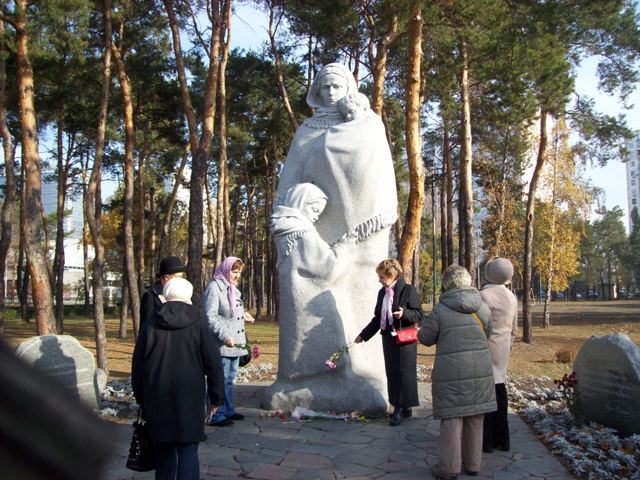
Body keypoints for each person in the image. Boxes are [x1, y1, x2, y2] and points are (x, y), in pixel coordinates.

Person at [267, 63, 397, 413]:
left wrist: (358, 121)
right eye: (324, 86)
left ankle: (364, 371)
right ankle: (311, 377)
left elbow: (378, 170)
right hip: (315, 224)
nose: (330, 92)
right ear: (316, 91)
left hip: (360, 223)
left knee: (360, 295)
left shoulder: (368, 123)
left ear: (350, 88)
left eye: (337, 85)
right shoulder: (306, 131)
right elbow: (290, 177)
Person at [131, 277, 224, 480]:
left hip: (157, 395)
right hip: (189, 396)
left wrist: (140, 397)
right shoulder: (199, 324)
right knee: (188, 449)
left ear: (166, 294)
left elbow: (138, 365)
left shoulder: (150, 325)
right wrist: (216, 397)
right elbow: (214, 363)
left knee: (163, 450)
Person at [418, 265, 496, 480]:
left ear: (446, 284)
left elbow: (425, 338)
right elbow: (489, 333)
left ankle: (449, 468)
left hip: (450, 371)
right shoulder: (483, 308)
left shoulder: (440, 310)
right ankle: (473, 464)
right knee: (475, 416)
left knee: (451, 419)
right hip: (480, 368)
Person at [354, 259, 422, 426]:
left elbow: (419, 314)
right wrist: (363, 335)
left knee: (404, 372)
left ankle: (400, 406)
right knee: (393, 372)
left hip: (404, 339)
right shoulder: (382, 293)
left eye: (382, 277)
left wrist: (404, 314)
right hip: (389, 338)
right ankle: (400, 405)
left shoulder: (408, 290)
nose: (380, 280)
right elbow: (378, 318)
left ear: (391, 275)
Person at [202, 256, 255, 427]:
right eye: (234, 271)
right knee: (219, 380)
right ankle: (215, 414)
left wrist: (243, 314)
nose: (236, 275)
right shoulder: (214, 287)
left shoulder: (233, 289)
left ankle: (228, 409)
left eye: (239, 272)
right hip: (222, 344)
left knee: (230, 379)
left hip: (235, 344)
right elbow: (210, 316)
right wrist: (224, 336)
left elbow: (230, 311)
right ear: (225, 270)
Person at [480, 257, 518, 453]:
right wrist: (508, 344)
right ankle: (503, 439)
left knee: (485, 396)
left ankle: (487, 441)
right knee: (500, 392)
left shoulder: (484, 295)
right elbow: (514, 329)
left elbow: (480, 325)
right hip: (502, 349)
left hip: (485, 348)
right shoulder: (511, 297)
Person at [140, 256, 187, 326]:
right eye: (177, 277)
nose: (180, 280)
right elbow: (147, 325)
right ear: (166, 278)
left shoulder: (183, 294)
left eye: (181, 277)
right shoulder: (151, 297)